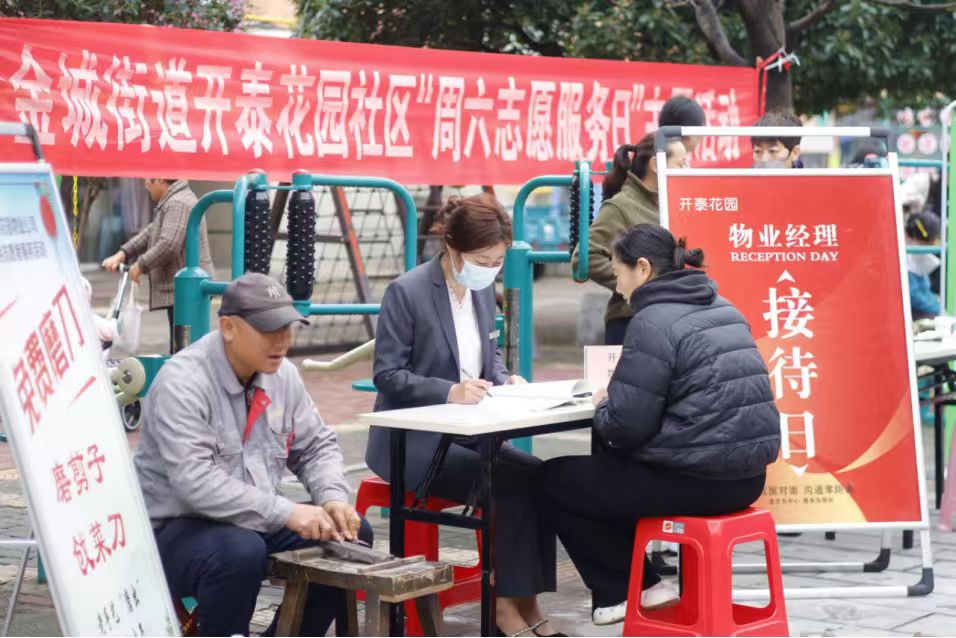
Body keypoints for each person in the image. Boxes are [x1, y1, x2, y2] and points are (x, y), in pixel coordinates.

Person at [539, 225, 780, 627]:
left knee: (552, 479)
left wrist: (602, 404)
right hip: (747, 479)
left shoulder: (653, 321)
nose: (617, 287)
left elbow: (626, 427)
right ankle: (642, 587)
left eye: (618, 273)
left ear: (644, 268)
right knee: (604, 476)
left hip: (696, 481)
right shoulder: (723, 306)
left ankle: (628, 590)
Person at [366, 194, 563, 638]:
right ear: (453, 249)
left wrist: (507, 380)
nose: (490, 268)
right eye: (482, 259)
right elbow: (388, 375)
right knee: (513, 484)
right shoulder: (408, 291)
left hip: (471, 434)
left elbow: (486, 359)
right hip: (414, 444)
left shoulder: (478, 291)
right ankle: (508, 610)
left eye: (496, 260)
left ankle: (523, 604)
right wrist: (450, 391)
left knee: (540, 476)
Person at [135, 273, 369, 637]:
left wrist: (333, 498)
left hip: (252, 520)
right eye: (268, 331)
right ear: (229, 328)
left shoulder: (283, 376)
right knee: (239, 552)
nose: (283, 342)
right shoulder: (182, 383)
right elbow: (196, 483)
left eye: (288, 330)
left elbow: (316, 446)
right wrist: (288, 512)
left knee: (348, 535)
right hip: (172, 531)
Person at [571, 133, 689, 345]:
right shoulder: (621, 206)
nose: (687, 170)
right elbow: (585, 257)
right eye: (681, 164)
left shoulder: (672, 202)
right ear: (655, 165)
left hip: (669, 320)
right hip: (632, 323)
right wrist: (636, 284)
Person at [102, 178, 214, 353]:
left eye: (148, 179)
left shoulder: (178, 202)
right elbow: (152, 231)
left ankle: (184, 379)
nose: (145, 184)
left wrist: (140, 265)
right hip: (183, 288)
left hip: (187, 289)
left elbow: (168, 244)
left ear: (161, 179)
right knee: (182, 346)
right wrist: (124, 253)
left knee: (184, 349)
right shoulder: (173, 200)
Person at [905, 210, 942, 320]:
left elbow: (923, 290)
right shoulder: (907, 258)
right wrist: (938, 305)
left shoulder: (921, 257)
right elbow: (913, 296)